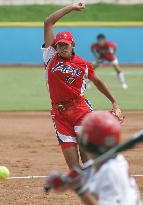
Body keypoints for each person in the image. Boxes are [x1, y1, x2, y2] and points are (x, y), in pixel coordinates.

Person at [42, 3, 124, 169]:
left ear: (73, 45)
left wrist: (114, 102)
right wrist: (70, 7)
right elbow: (48, 22)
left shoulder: (83, 64)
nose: (62, 47)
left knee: (87, 159)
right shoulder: (50, 57)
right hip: (59, 114)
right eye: (59, 45)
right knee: (74, 167)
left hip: (80, 109)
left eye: (66, 44)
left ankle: (103, 183)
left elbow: (98, 82)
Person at [45, 111, 143, 205]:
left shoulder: (110, 171)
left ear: (84, 142)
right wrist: (65, 181)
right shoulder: (109, 162)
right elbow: (78, 179)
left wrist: (80, 189)